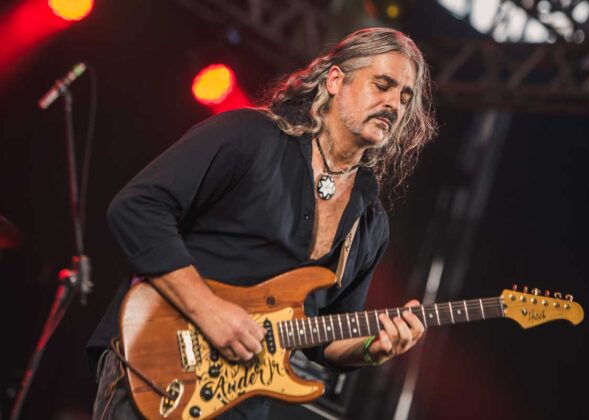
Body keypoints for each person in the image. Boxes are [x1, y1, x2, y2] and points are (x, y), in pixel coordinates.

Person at [87, 27, 436, 419]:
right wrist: (207, 310)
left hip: (242, 402)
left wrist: (372, 348)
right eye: (383, 85)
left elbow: (325, 335)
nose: (393, 105)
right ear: (336, 80)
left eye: (405, 98)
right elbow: (137, 207)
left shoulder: (370, 222)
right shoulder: (249, 137)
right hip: (158, 365)